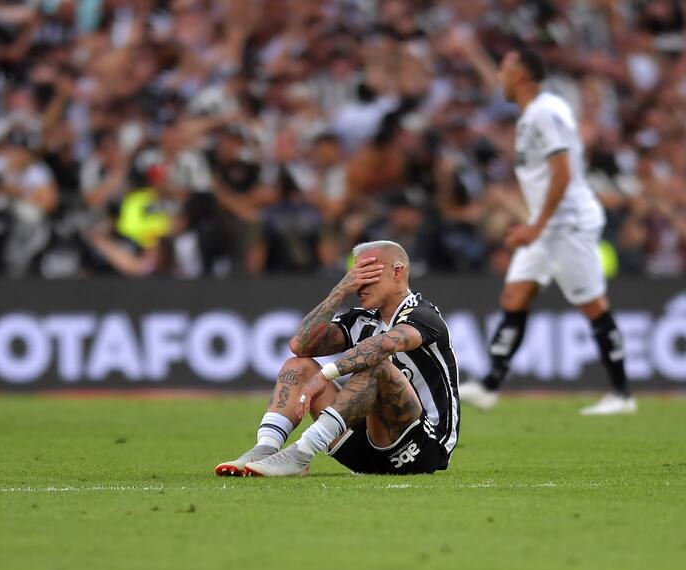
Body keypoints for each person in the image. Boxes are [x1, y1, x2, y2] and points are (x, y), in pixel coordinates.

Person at [457, 47, 635, 416]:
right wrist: (533, 225)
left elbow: (563, 173)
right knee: (515, 295)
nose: (499, 78)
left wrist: (535, 226)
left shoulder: (545, 113)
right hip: (546, 225)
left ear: (521, 75)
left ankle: (622, 394)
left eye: (504, 69)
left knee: (593, 306)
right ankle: (490, 386)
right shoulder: (530, 117)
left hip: (568, 224)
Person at [215, 240, 459, 477]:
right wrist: (338, 292)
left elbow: (380, 346)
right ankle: (265, 450)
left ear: (397, 271)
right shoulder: (362, 319)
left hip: (422, 446)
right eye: (354, 274)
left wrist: (325, 375)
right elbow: (299, 345)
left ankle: (302, 452)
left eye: (367, 272)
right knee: (297, 366)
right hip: (362, 447)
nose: (358, 284)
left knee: (376, 365)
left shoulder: (424, 316)